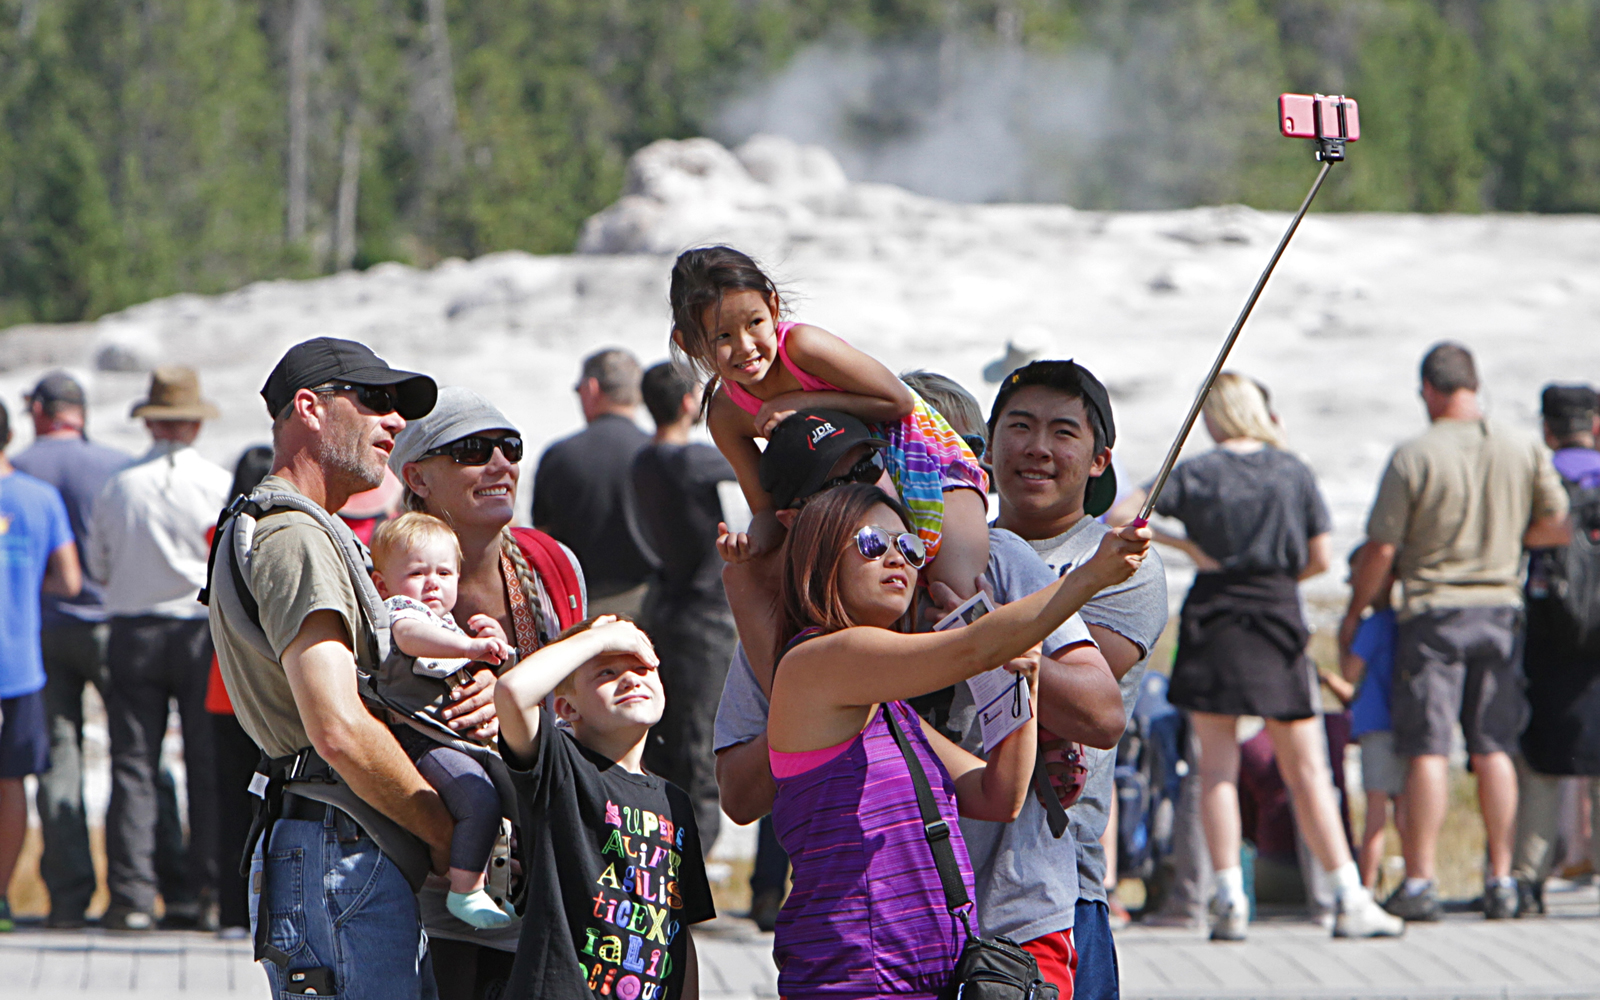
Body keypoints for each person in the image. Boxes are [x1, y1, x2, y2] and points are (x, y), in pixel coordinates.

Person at [712, 408, 1125, 988]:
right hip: (855, 974)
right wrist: (1088, 578)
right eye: (875, 542)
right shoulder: (815, 663)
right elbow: (970, 649)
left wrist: (1023, 680)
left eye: (909, 546)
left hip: (929, 971)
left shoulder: (889, 707)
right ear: (817, 549)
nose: (898, 559)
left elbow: (998, 793)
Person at [1111, 372, 1399, 940]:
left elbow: (1123, 513)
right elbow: (1319, 557)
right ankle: (1347, 893)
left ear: (1213, 414)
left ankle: (1228, 897)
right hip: (1275, 618)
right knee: (1309, 768)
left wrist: (1188, 546)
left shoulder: (1198, 471)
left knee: (1215, 767)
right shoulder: (1291, 469)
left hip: (1214, 618)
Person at [208, 337, 453, 999]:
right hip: (340, 848)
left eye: (398, 407)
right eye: (374, 401)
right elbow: (338, 727)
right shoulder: (297, 537)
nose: (395, 423)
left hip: (332, 840)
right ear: (310, 409)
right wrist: (442, 831)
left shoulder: (272, 523)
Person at [1341, 342, 1571, 922]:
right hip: (1499, 609)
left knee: (1429, 748)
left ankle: (1420, 880)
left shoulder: (1414, 454)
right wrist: (1508, 540)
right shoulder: (1521, 448)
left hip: (1434, 613)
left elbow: (1382, 547)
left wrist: (1358, 609)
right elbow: (1557, 523)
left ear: (1428, 389)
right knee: (1494, 747)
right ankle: (1501, 878)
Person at [392, 386, 589, 1000]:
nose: (501, 464)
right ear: (417, 476)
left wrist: (510, 699)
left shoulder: (552, 564)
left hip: (541, 875)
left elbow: (585, 705)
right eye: (474, 450)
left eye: (511, 447)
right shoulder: (380, 572)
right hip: (423, 881)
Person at [668, 245, 990, 600]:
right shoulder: (726, 414)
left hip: (926, 460)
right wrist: (750, 543)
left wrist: (803, 402)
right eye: (722, 337)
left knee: (955, 594)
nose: (745, 346)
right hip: (856, 500)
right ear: (690, 343)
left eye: (755, 323)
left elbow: (897, 401)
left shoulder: (803, 347)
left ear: (773, 307)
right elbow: (766, 509)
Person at [990, 360, 1170, 994]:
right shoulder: (948, 554)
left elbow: (1075, 707)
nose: (1038, 447)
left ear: (1099, 460)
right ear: (987, 447)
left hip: (1060, 888)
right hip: (937, 876)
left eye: (1064, 432)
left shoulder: (1125, 567)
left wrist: (962, 621)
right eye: (1019, 426)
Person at [494, 615, 715, 1000]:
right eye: (607, 672)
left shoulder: (675, 802)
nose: (631, 679)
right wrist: (598, 638)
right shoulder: (558, 766)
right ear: (567, 707)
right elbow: (512, 692)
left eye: (642, 667)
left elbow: (680, 927)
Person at [85, 366, 230, 931]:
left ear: (151, 423)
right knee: (205, 762)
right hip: (196, 630)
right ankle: (208, 893)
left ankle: (133, 895)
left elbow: (98, 564)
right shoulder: (216, 483)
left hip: (133, 631)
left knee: (134, 764)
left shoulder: (118, 485)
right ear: (193, 423)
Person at [10, 371, 135, 928]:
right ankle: (139, 892)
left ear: (39, 409)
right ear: (80, 411)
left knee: (58, 760)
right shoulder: (115, 465)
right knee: (134, 756)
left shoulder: (22, 468)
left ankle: (66, 897)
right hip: (109, 623)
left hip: (42, 632)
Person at [370, 512, 514, 929]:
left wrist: (497, 647)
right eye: (417, 572)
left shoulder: (447, 621)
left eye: (445, 572)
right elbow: (411, 637)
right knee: (477, 799)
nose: (433, 582)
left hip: (457, 738)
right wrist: (469, 647)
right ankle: (465, 892)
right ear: (383, 584)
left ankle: (493, 885)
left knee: (511, 792)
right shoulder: (400, 612)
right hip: (419, 736)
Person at [631, 361, 739, 852]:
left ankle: (662, 858)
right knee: (702, 748)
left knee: (666, 744)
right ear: (687, 403)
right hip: (706, 617)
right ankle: (689, 873)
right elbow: (754, 470)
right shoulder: (695, 460)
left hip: (664, 608)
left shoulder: (643, 461)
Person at [1513, 383, 1600, 915]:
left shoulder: (1541, 479)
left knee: (1542, 759)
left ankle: (1527, 878)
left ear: (1548, 428)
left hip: (1549, 636)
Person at [0, 398, 81, 932]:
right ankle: (2, 895)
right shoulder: (39, 497)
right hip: (18, 663)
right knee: (10, 784)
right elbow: (70, 581)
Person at [208, 445, 275, 938]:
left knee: (229, 803)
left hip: (221, 686)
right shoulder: (273, 536)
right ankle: (266, 907)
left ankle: (231, 911)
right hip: (266, 689)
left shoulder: (218, 532)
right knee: (272, 804)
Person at [533, 348, 654, 616]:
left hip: (585, 610)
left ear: (591, 388)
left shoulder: (560, 456)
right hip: (653, 607)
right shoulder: (657, 453)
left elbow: (543, 543)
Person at [1339, 563, 1405, 892]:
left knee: (1375, 815)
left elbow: (1351, 672)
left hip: (1375, 724)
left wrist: (1347, 628)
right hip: (1405, 722)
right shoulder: (1403, 622)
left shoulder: (1373, 625)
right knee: (1405, 808)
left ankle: (1365, 889)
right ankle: (1414, 880)